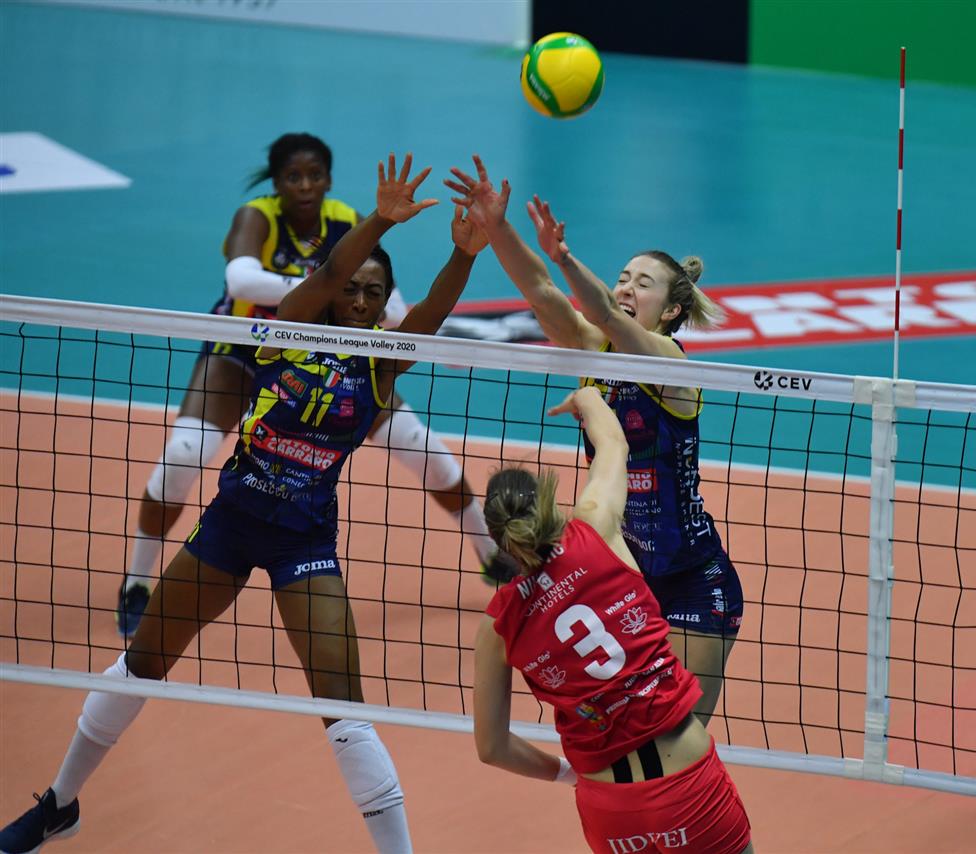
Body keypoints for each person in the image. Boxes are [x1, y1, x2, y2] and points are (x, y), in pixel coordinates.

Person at [0, 153, 471, 854]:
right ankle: (58, 805)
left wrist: (465, 252)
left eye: (375, 294)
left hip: (303, 545)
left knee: (344, 710)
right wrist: (378, 220)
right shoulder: (294, 327)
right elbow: (327, 276)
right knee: (142, 664)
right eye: (353, 289)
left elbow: (431, 313)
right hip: (227, 528)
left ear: (384, 306)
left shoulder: (381, 364)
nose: (359, 301)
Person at [117, 133, 495, 637]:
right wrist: (321, 292)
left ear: (329, 179)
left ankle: (494, 558)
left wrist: (448, 284)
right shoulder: (258, 217)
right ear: (276, 182)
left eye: (314, 175)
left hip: (337, 354)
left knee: (422, 449)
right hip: (245, 349)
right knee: (183, 455)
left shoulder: (345, 220)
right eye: (293, 177)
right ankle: (137, 583)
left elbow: (394, 305)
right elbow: (244, 283)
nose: (305, 186)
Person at [445, 155, 742, 725]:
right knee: (628, 730)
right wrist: (497, 226)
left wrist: (564, 258)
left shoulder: (671, 365)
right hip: (623, 577)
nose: (627, 286)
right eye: (624, 276)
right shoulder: (592, 350)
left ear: (671, 309)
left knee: (681, 737)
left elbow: (602, 309)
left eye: (643, 284)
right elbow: (539, 291)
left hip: (692, 581)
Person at [473, 385, 754, 854]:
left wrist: (567, 774)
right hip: (690, 785)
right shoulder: (595, 527)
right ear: (547, 505)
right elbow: (614, 443)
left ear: (498, 540)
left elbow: (492, 748)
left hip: (610, 807)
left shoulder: (497, 626)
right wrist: (587, 397)